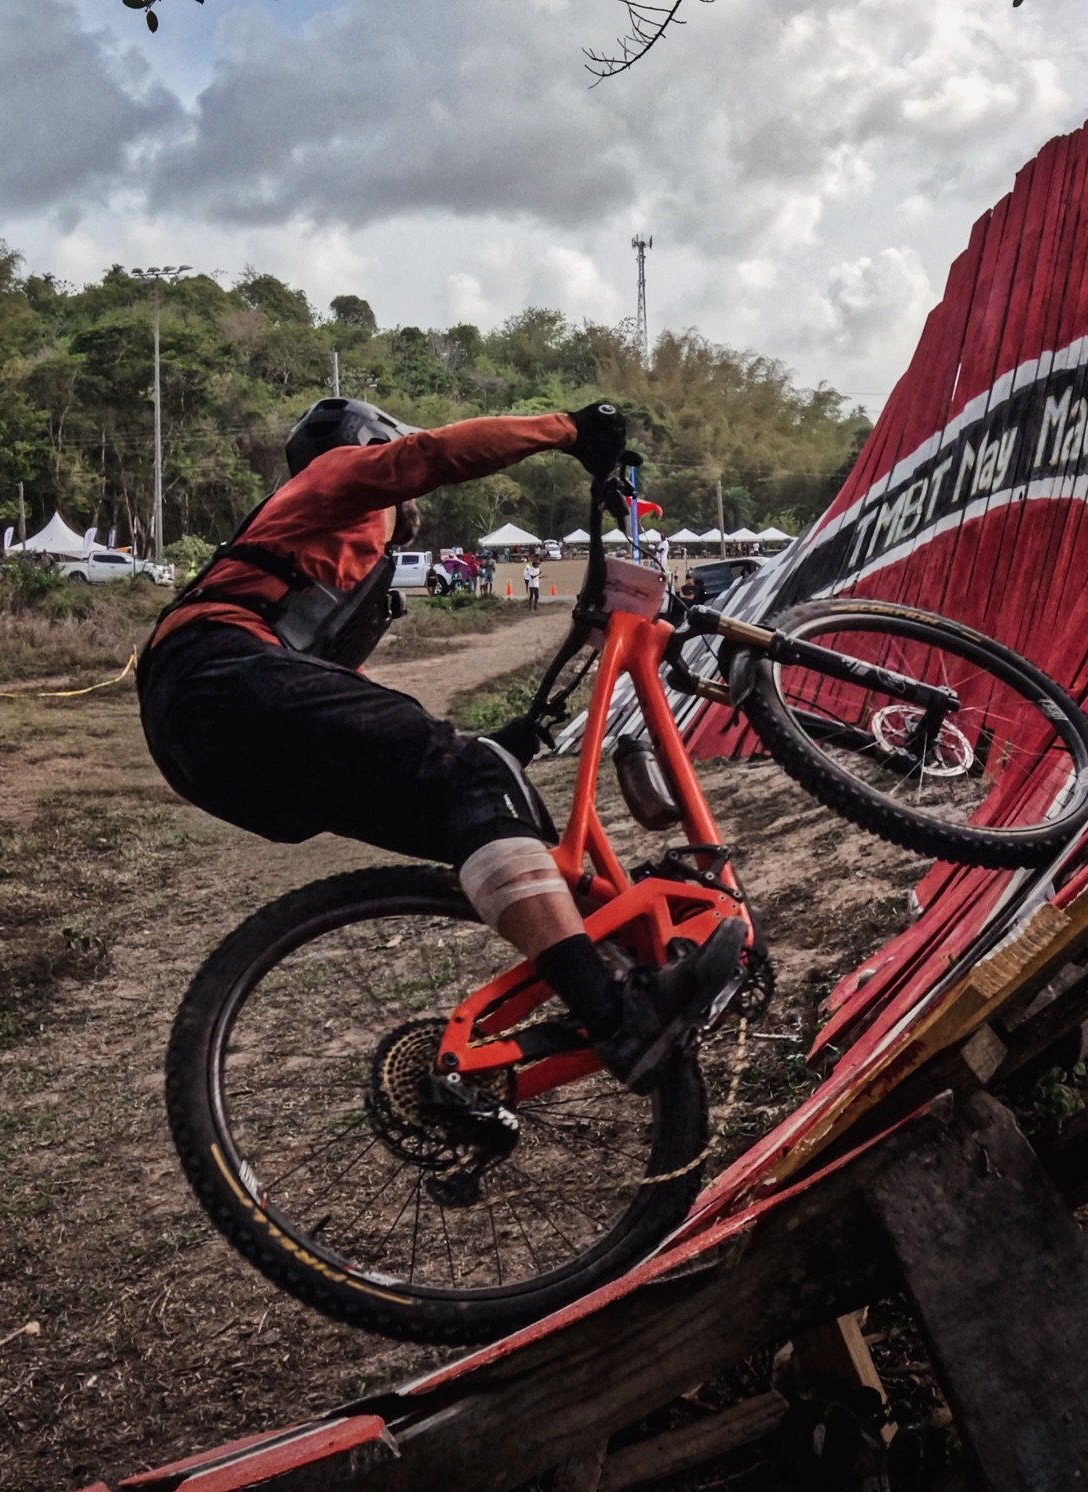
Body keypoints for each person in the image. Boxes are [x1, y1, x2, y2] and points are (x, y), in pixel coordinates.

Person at [138, 398, 744, 1094]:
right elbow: (428, 458)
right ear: (368, 443)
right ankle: (616, 1014)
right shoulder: (337, 477)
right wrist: (567, 430)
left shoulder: (307, 550)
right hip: (215, 676)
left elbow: (351, 715)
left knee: (485, 811)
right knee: (473, 779)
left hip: (204, 730)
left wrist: (493, 747)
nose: (407, 514)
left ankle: (615, 979)